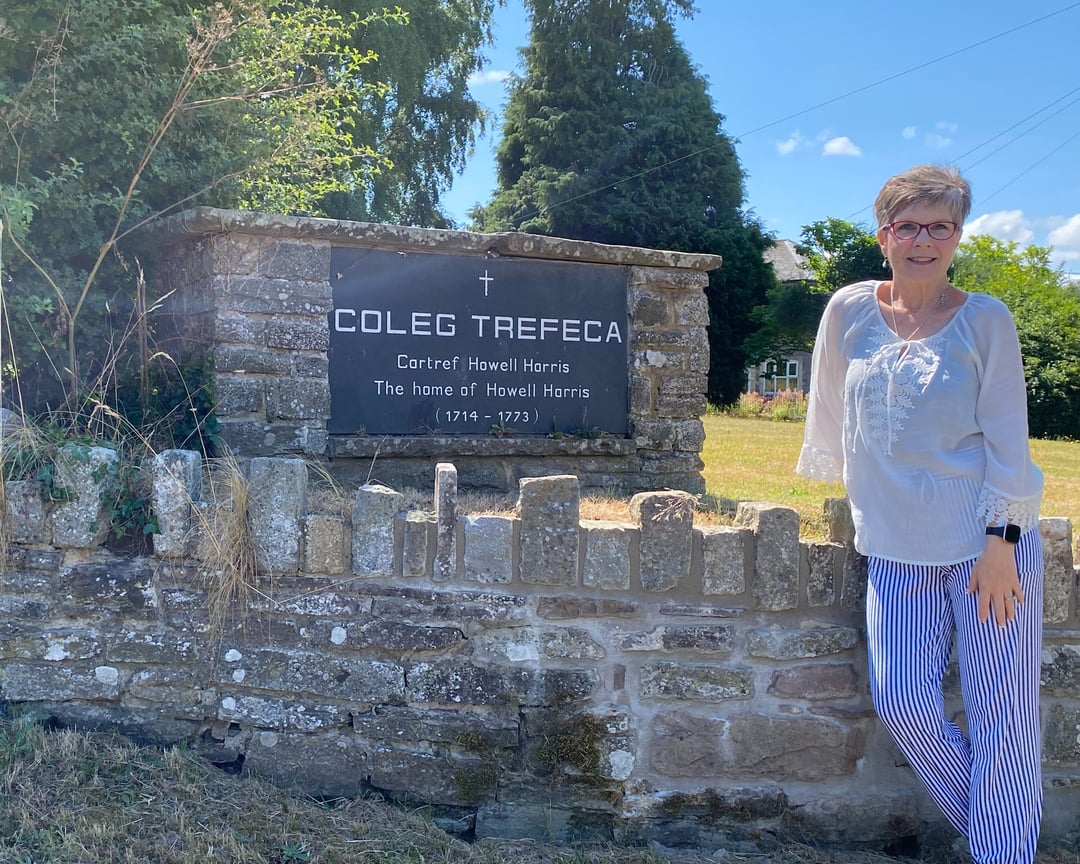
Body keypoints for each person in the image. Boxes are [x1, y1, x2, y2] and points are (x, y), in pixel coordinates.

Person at [796, 164, 1044, 864]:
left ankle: (1003, 853)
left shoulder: (985, 320)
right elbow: (829, 415)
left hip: (987, 549)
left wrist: (1002, 544)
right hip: (895, 546)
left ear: (958, 235)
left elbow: (1008, 442)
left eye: (940, 225)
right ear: (885, 236)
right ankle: (998, 829)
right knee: (903, 704)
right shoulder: (847, 310)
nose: (924, 239)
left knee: (1004, 718)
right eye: (909, 225)